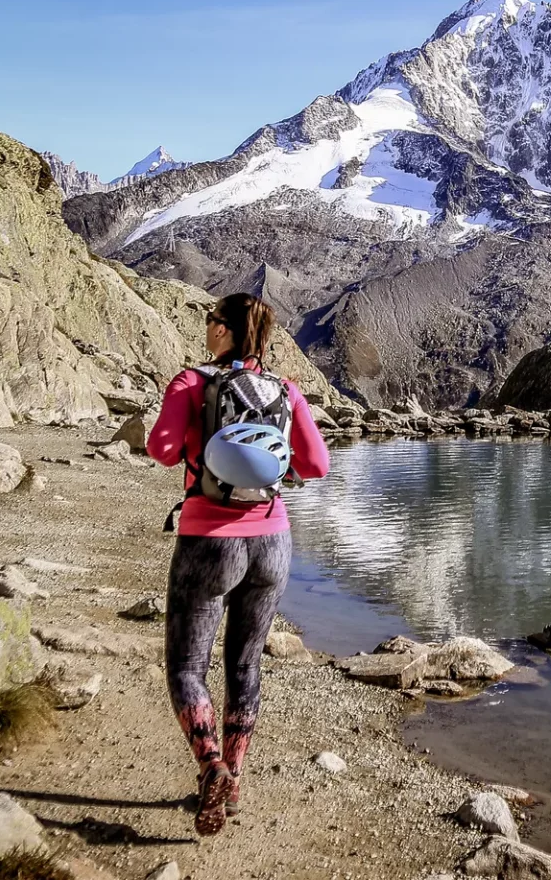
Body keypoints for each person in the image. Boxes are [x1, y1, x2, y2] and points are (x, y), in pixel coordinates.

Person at [146, 293, 330, 836]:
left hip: (209, 538)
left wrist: (195, 445)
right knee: (245, 666)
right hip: (273, 539)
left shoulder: (192, 382)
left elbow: (159, 448)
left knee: (186, 668)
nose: (206, 329)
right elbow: (316, 464)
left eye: (210, 321)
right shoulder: (285, 389)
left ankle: (211, 768)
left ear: (224, 331)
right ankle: (235, 777)